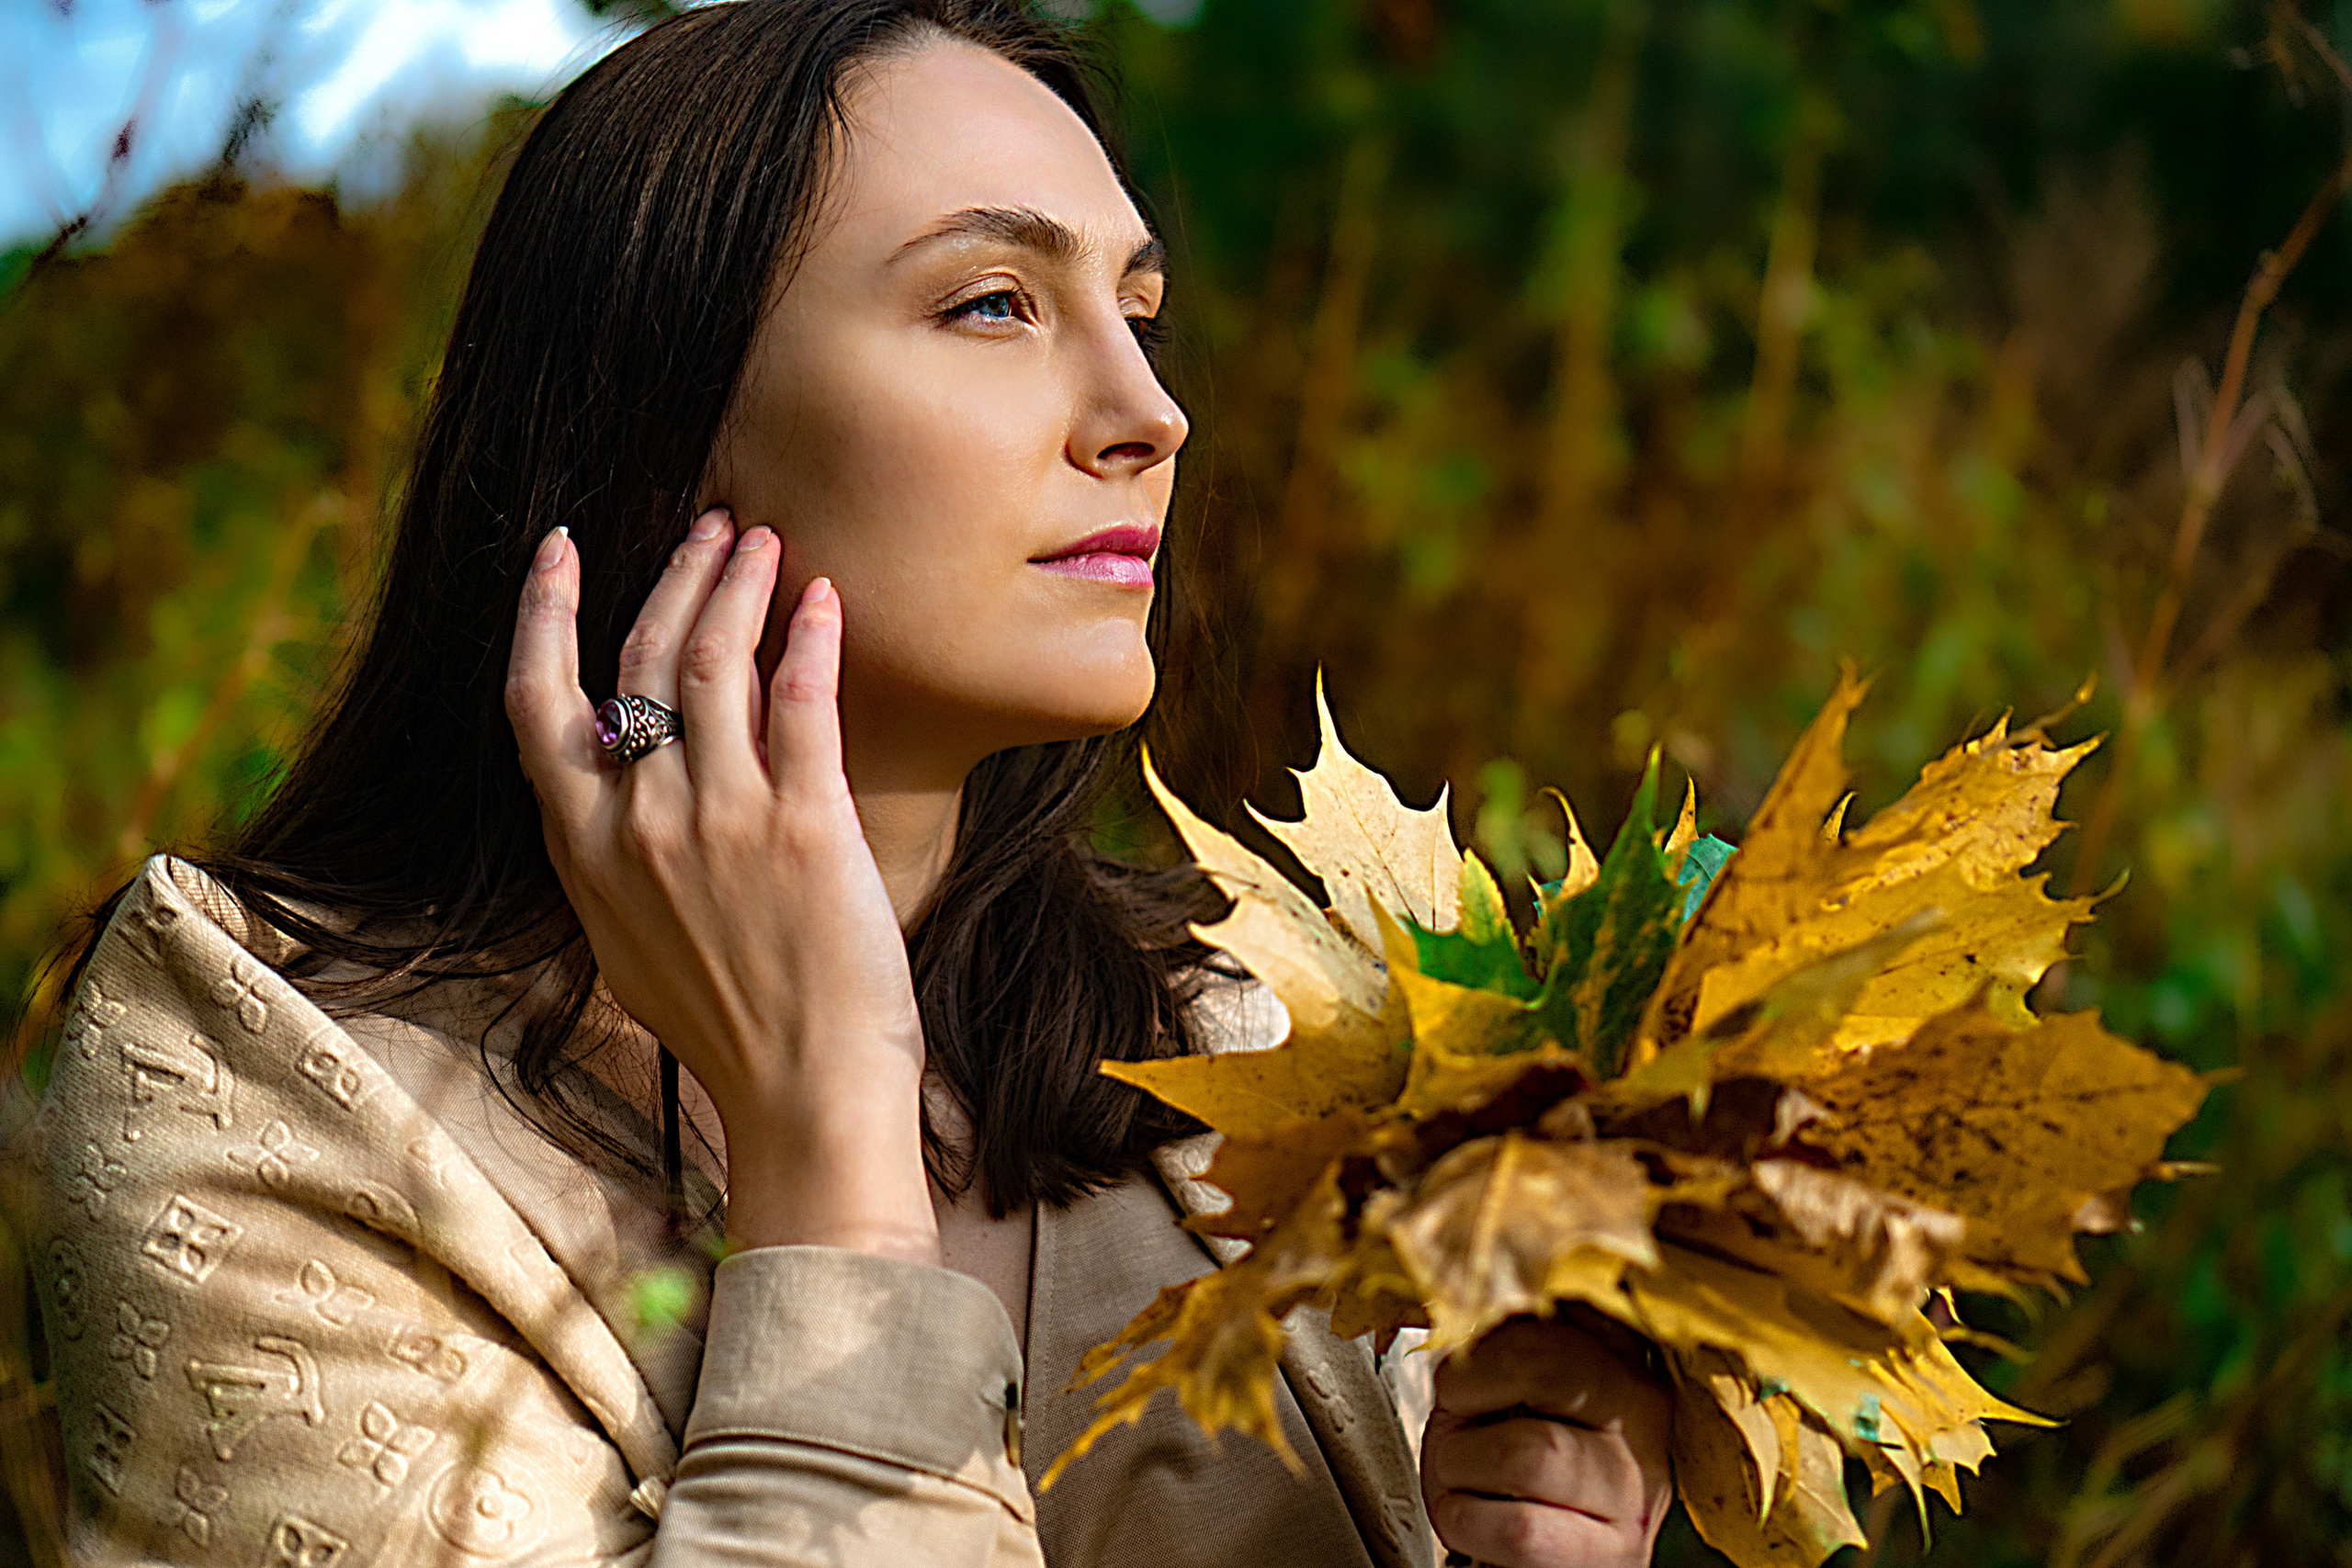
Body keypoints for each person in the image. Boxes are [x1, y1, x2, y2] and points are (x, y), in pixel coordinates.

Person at [14, 4, 1672, 1563]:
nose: (1150, 415)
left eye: (1138, 315)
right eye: (995, 305)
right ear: (664, 424)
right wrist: (833, 1163)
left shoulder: (1243, 1054)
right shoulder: (274, 1089)